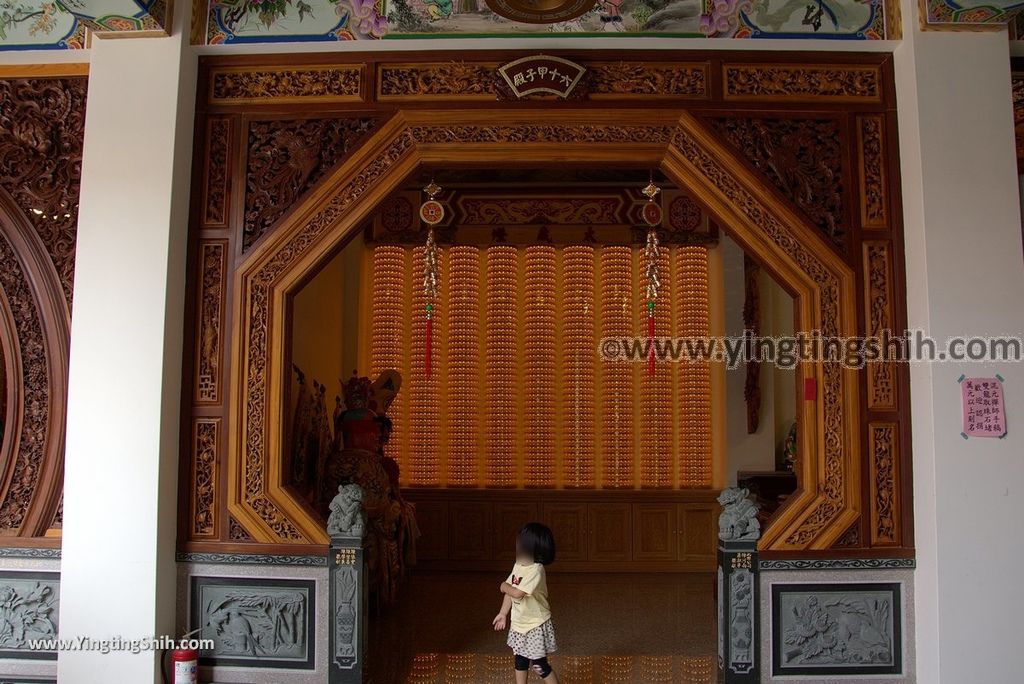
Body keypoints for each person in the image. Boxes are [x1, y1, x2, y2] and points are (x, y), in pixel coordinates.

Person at [492, 522, 559, 683]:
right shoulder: (519, 565)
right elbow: (510, 592)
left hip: (535, 624)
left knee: (539, 665)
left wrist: (502, 585)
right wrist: (503, 613)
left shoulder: (536, 569)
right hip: (519, 623)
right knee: (520, 660)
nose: (516, 545)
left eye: (520, 542)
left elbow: (517, 593)